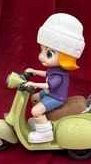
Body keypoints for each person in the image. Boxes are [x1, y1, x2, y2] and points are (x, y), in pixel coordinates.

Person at [23, 13, 84, 143]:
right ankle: (42, 122)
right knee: (34, 97)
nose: (41, 56)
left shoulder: (59, 75)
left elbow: (48, 85)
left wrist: (33, 84)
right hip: (50, 93)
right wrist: (34, 71)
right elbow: (46, 74)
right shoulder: (54, 69)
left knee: (35, 111)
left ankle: (45, 134)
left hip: (56, 97)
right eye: (41, 50)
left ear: (65, 57)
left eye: (49, 54)